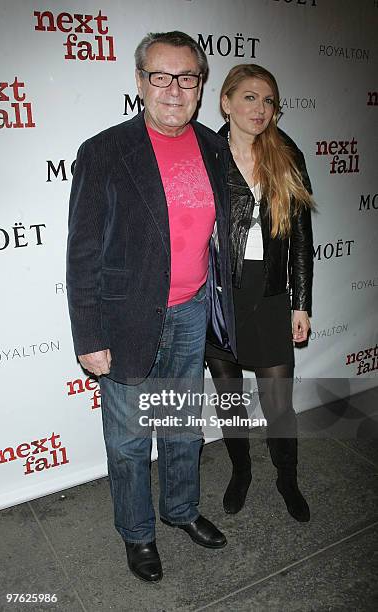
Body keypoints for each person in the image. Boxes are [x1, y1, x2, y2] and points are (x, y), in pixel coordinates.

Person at [66, 31, 236, 583]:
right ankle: (137, 533)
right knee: (130, 439)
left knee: (183, 426)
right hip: (126, 319)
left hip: (191, 312)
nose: (174, 89)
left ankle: (181, 509)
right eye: (160, 76)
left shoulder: (214, 146)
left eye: (187, 78)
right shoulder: (104, 150)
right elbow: (83, 251)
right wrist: (89, 335)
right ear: (140, 82)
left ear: (201, 86)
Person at [205, 64, 313, 521]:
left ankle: (287, 478)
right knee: (229, 401)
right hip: (218, 296)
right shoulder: (206, 154)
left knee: (278, 404)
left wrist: (301, 303)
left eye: (269, 100)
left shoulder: (287, 154)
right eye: (249, 97)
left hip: (269, 293)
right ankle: (241, 472)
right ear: (226, 103)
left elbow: (303, 239)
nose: (261, 108)